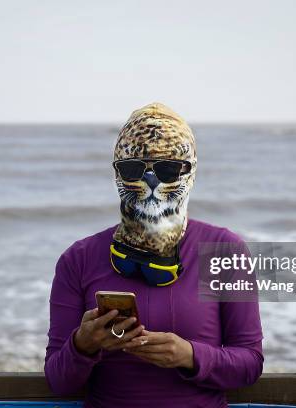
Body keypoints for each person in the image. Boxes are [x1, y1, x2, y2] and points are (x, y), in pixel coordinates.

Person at [44, 103, 263, 408]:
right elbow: (58, 380)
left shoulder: (225, 250)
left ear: (190, 171)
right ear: (117, 173)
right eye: (133, 169)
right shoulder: (77, 259)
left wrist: (190, 356)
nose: (151, 181)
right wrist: (83, 345)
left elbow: (250, 363)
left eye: (168, 169)